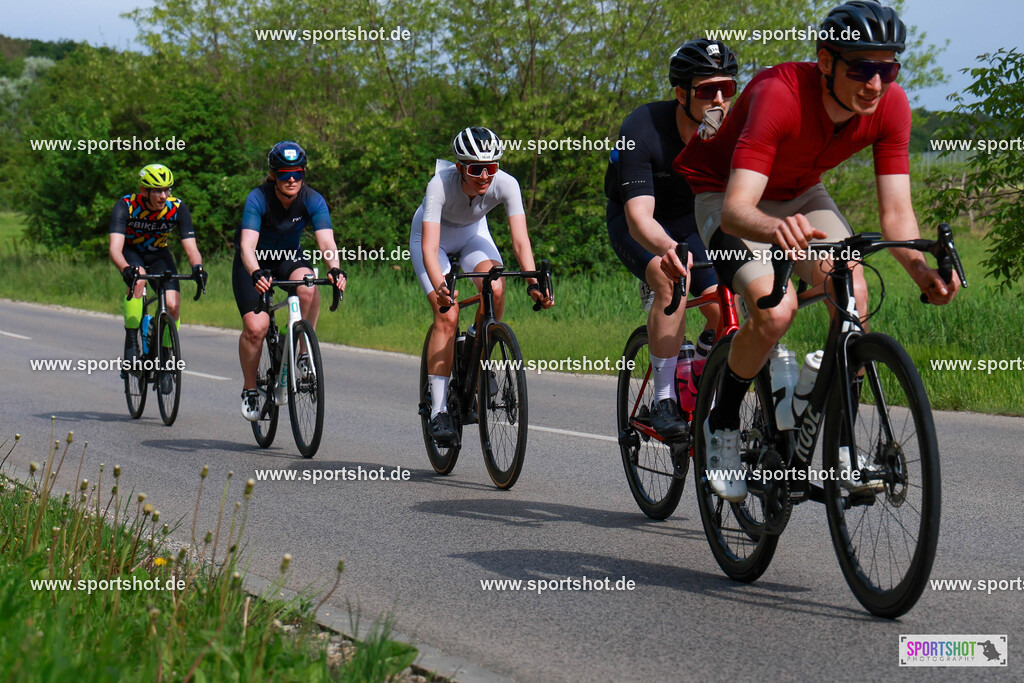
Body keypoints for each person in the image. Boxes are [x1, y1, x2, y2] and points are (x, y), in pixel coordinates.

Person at [674, 1, 960, 501]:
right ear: (826, 62)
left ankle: (835, 436)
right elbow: (741, 208)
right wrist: (776, 228)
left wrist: (922, 272)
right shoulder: (777, 94)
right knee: (775, 310)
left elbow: (896, 214)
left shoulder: (891, 106)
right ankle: (719, 427)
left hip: (802, 191)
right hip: (724, 194)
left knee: (853, 291)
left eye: (887, 68)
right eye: (862, 68)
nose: (875, 83)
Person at [605, 38, 738, 440]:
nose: (719, 99)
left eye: (727, 88)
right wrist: (667, 250)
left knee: (723, 306)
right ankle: (663, 401)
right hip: (638, 221)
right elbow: (639, 216)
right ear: (681, 93)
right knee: (670, 281)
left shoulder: (733, 131)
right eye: (706, 90)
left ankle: (698, 370)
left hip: (692, 220)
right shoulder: (642, 128)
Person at [412, 127, 553, 444]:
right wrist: (441, 286)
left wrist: (532, 281)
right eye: (477, 168)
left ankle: (476, 350)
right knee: (447, 315)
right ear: (461, 166)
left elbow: (520, 241)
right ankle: (438, 411)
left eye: (492, 167)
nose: (486, 175)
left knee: (496, 287)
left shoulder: (507, 183)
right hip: (432, 243)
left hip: (473, 236)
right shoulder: (439, 186)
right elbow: (429, 246)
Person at [234, 141, 346, 421]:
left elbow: (327, 241)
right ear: (273, 175)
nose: (292, 179)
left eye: (297, 173)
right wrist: (256, 272)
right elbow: (247, 245)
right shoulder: (258, 198)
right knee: (256, 328)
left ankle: (302, 350)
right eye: (284, 174)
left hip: (287, 258)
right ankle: (250, 388)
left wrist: (334, 268)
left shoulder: (312, 199)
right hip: (254, 263)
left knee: (308, 285)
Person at [109, 163, 206, 391]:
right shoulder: (126, 206)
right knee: (139, 279)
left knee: (172, 305)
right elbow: (115, 248)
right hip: (131, 252)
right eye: (157, 191)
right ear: (145, 191)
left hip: (159, 254)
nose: (163, 196)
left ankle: (165, 358)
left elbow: (191, 248)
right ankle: (132, 342)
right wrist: (125, 268)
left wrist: (198, 267)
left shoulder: (177, 208)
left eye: (167, 190)